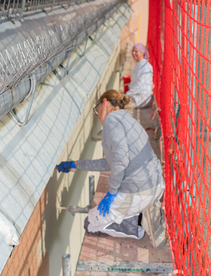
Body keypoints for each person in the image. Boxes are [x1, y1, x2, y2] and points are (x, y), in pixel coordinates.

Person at [56, 89, 165, 241]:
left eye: (97, 108)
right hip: (156, 185)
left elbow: (121, 159)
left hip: (137, 190)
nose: (97, 112)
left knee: (90, 223)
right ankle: (142, 212)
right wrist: (76, 164)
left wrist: (112, 192)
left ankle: (137, 225)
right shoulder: (127, 120)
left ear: (105, 103)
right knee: (109, 211)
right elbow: (109, 163)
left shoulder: (111, 119)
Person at [126, 43, 153, 108]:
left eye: (136, 51)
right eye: (132, 51)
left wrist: (127, 95)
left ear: (142, 53)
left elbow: (140, 85)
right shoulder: (140, 64)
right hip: (137, 96)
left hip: (141, 99)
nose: (133, 53)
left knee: (116, 104)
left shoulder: (145, 67)